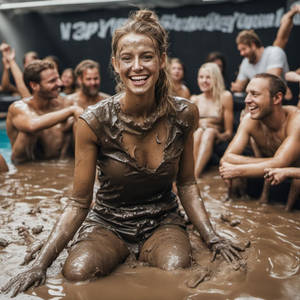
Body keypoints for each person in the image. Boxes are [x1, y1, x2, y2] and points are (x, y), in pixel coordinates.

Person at [2, 9, 245, 297]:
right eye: (127, 58)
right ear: (116, 64)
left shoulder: (184, 114)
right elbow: (79, 202)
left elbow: (188, 184)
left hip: (162, 220)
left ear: (161, 60)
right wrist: (41, 264)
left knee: (176, 269)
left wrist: (212, 237)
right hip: (108, 221)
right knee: (76, 273)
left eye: (147, 56)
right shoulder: (94, 121)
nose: (137, 67)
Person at [219, 73, 300, 211]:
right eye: (247, 94)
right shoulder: (249, 120)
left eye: (254, 94)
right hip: (272, 176)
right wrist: (270, 162)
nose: (246, 100)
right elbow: (226, 158)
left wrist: (238, 171)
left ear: (277, 98)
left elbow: (280, 163)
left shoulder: (296, 120)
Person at [5, 59, 83, 164]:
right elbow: (32, 125)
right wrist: (71, 110)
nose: (60, 83)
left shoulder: (65, 103)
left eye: (58, 78)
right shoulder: (19, 107)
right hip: (25, 173)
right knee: (30, 132)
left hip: (61, 167)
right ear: (34, 86)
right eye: (52, 81)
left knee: (76, 122)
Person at [191, 62, 233, 179]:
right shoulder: (195, 100)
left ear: (216, 78)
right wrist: (201, 125)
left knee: (209, 132)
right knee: (199, 132)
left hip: (217, 137)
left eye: (208, 77)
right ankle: (192, 173)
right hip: (198, 136)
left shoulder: (225, 96)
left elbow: (229, 133)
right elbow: (190, 129)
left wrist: (216, 133)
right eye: (201, 77)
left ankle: (194, 176)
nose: (204, 81)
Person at [230, 29, 290, 97]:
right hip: (257, 100)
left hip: (277, 99)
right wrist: (236, 87)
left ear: (253, 45)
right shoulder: (245, 62)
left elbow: (270, 83)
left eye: (244, 49)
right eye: (240, 51)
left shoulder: (274, 52)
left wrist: (248, 87)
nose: (241, 53)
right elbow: (239, 85)